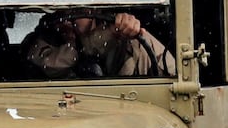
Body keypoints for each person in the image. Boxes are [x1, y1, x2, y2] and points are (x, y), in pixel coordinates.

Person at [18, 11, 175, 79]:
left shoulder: (129, 40)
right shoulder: (42, 40)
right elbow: (51, 66)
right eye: (61, 13)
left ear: (92, 11)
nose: (67, 20)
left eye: (76, 11)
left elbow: (169, 77)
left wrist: (127, 30)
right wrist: (100, 38)